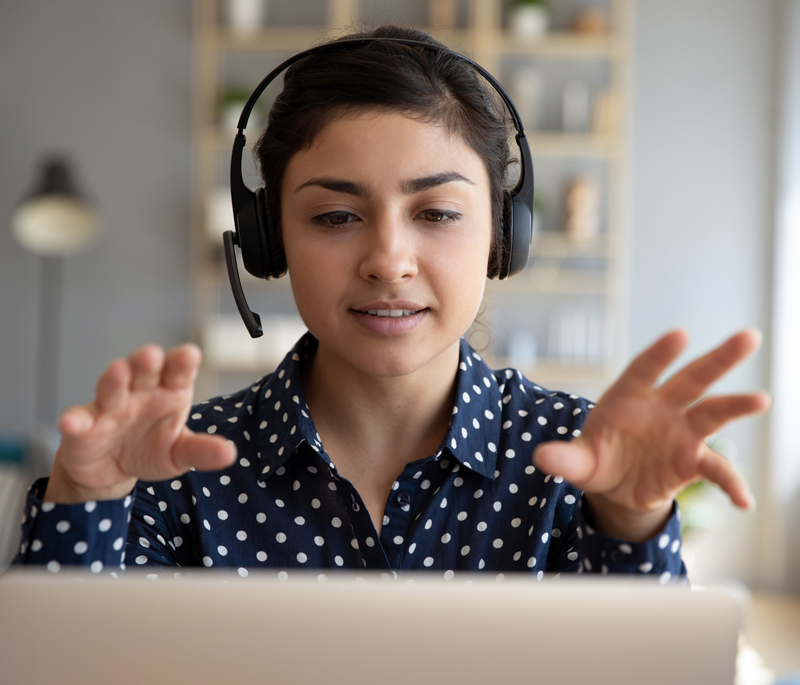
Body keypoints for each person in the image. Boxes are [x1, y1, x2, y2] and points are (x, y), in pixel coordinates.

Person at [13, 25, 769, 579]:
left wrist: (630, 523)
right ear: (270, 239)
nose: (387, 260)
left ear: (504, 235)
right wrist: (87, 499)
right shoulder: (173, 466)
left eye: (436, 213)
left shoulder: (582, 463)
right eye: (336, 216)